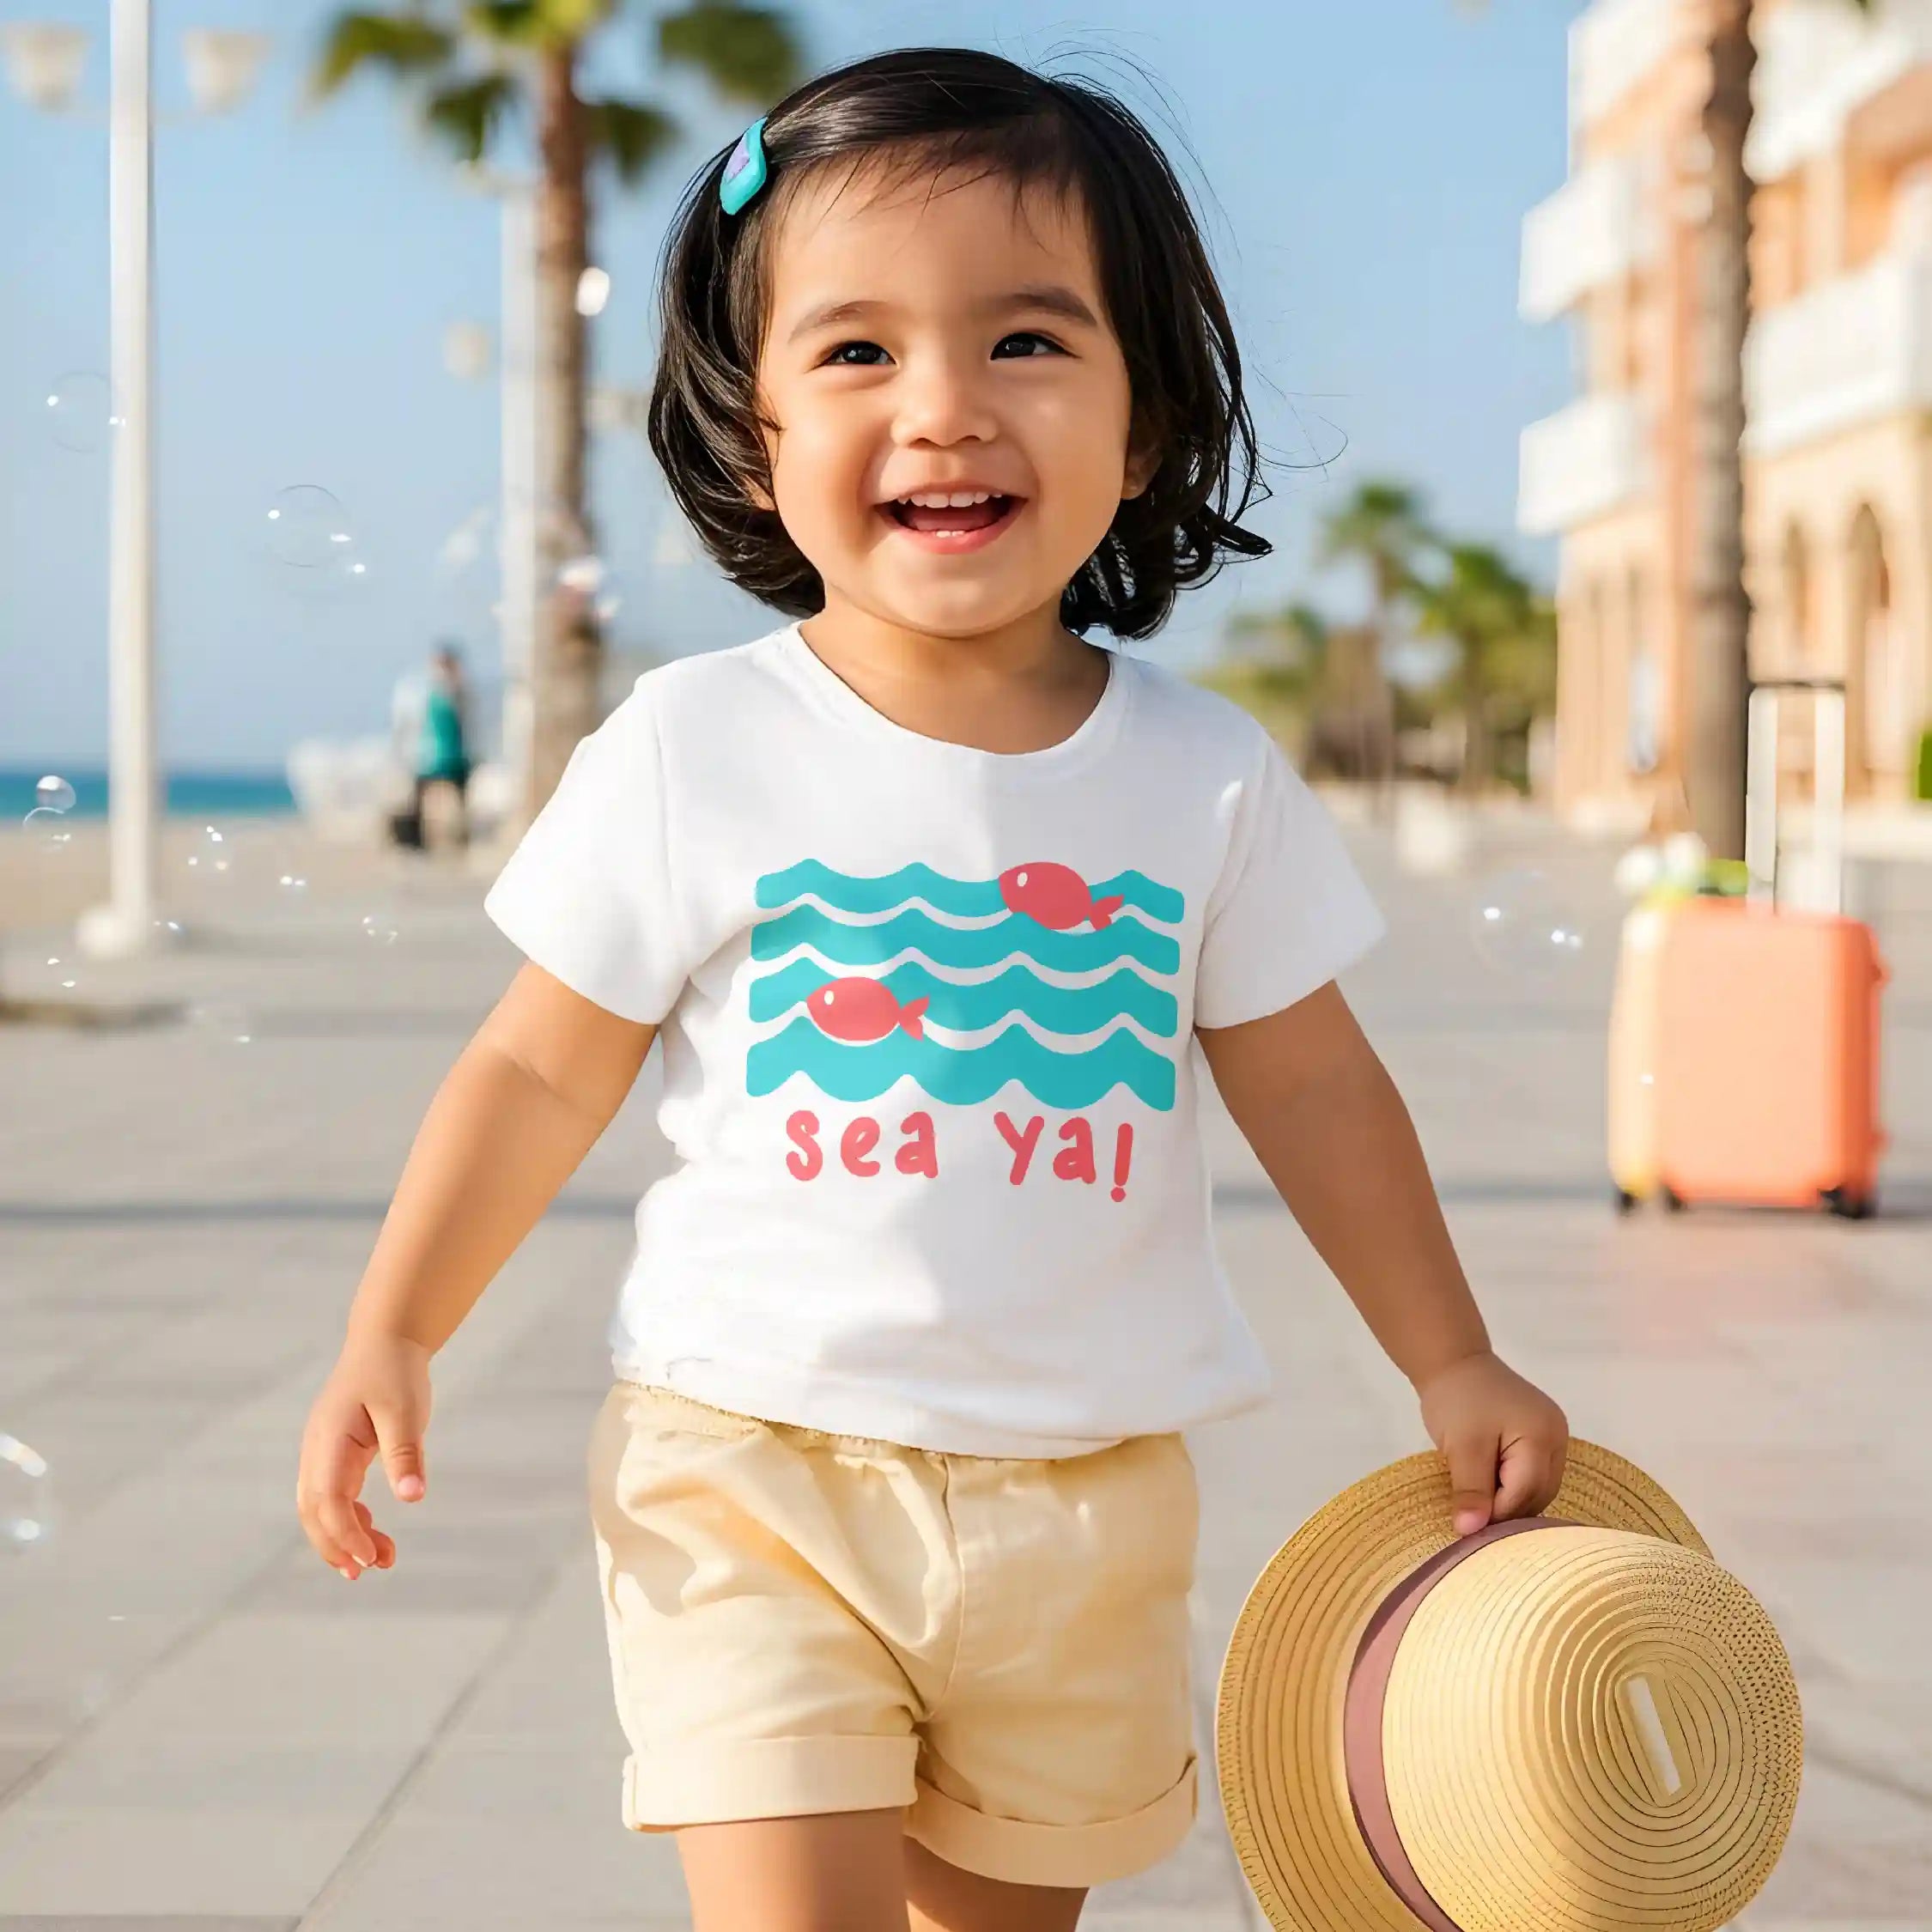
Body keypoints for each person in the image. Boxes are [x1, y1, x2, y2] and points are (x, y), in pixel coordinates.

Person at [296, 49, 1569, 1932]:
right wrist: (396, 1323)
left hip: (1085, 1505)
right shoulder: (692, 743)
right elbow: (534, 1071)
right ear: (750, 437)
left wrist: (1447, 1355)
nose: (947, 410)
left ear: (1146, 420)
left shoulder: (1203, 775)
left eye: (1029, 343)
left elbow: (1315, 1091)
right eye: (858, 353)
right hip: (746, 1469)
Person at [389, 642, 473, 849]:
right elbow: (405, 725)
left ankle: (458, 840)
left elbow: (469, 724)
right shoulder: (421, 690)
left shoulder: (459, 690)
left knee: (458, 801)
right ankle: (418, 842)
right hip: (426, 757)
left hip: (452, 757)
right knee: (419, 801)